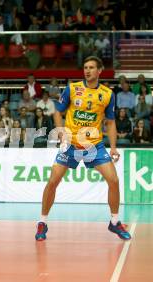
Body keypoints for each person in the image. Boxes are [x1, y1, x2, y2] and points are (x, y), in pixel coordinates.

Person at [35, 56, 131, 241]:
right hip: (70, 143)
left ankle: (114, 222)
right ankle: (42, 222)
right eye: (85, 67)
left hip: (93, 145)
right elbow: (58, 111)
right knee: (53, 182)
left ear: (100, 70)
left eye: (92, 67)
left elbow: (110, 123)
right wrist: (62, 132)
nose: (87, 70)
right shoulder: (73, 88)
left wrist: (113, 147)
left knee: (114, 180)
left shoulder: (107, 94)